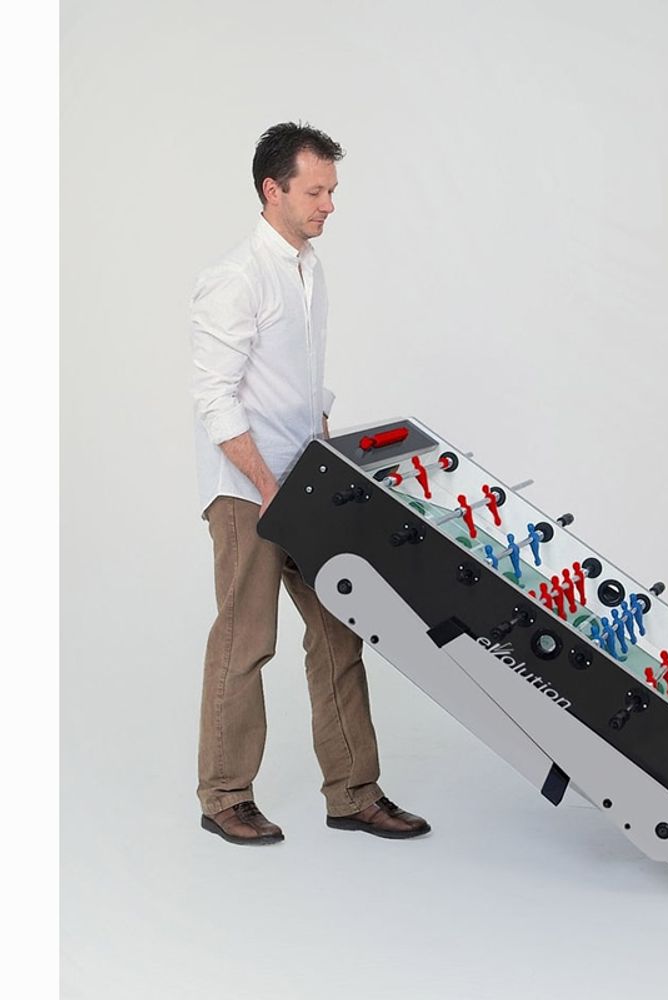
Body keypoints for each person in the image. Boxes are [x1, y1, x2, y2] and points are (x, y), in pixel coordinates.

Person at [190, 122, 429, 845]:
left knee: (339, 631)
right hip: (246, 491)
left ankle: (353, 793)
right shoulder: (236, 277)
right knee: (246, 640)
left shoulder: (309, 268)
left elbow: (301, 383)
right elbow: (215, 400)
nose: (329, 204)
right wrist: (267, 486)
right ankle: (225, 796)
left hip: (303, 483)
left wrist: (325, 460)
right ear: (274, 190)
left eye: (332, 190)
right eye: (316, 191)